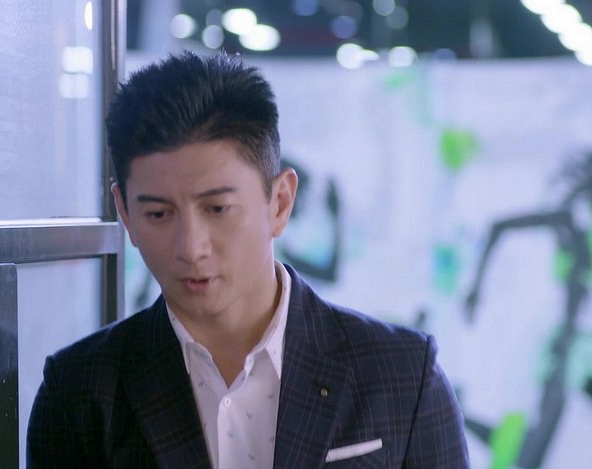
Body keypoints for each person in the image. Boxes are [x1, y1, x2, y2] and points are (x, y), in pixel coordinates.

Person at [27, 51, 469, 468]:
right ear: (125, 214)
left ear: (279, 203)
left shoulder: (401, 375)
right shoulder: (80, 391)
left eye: (217, 208)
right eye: (159, 214)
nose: (191, 247)